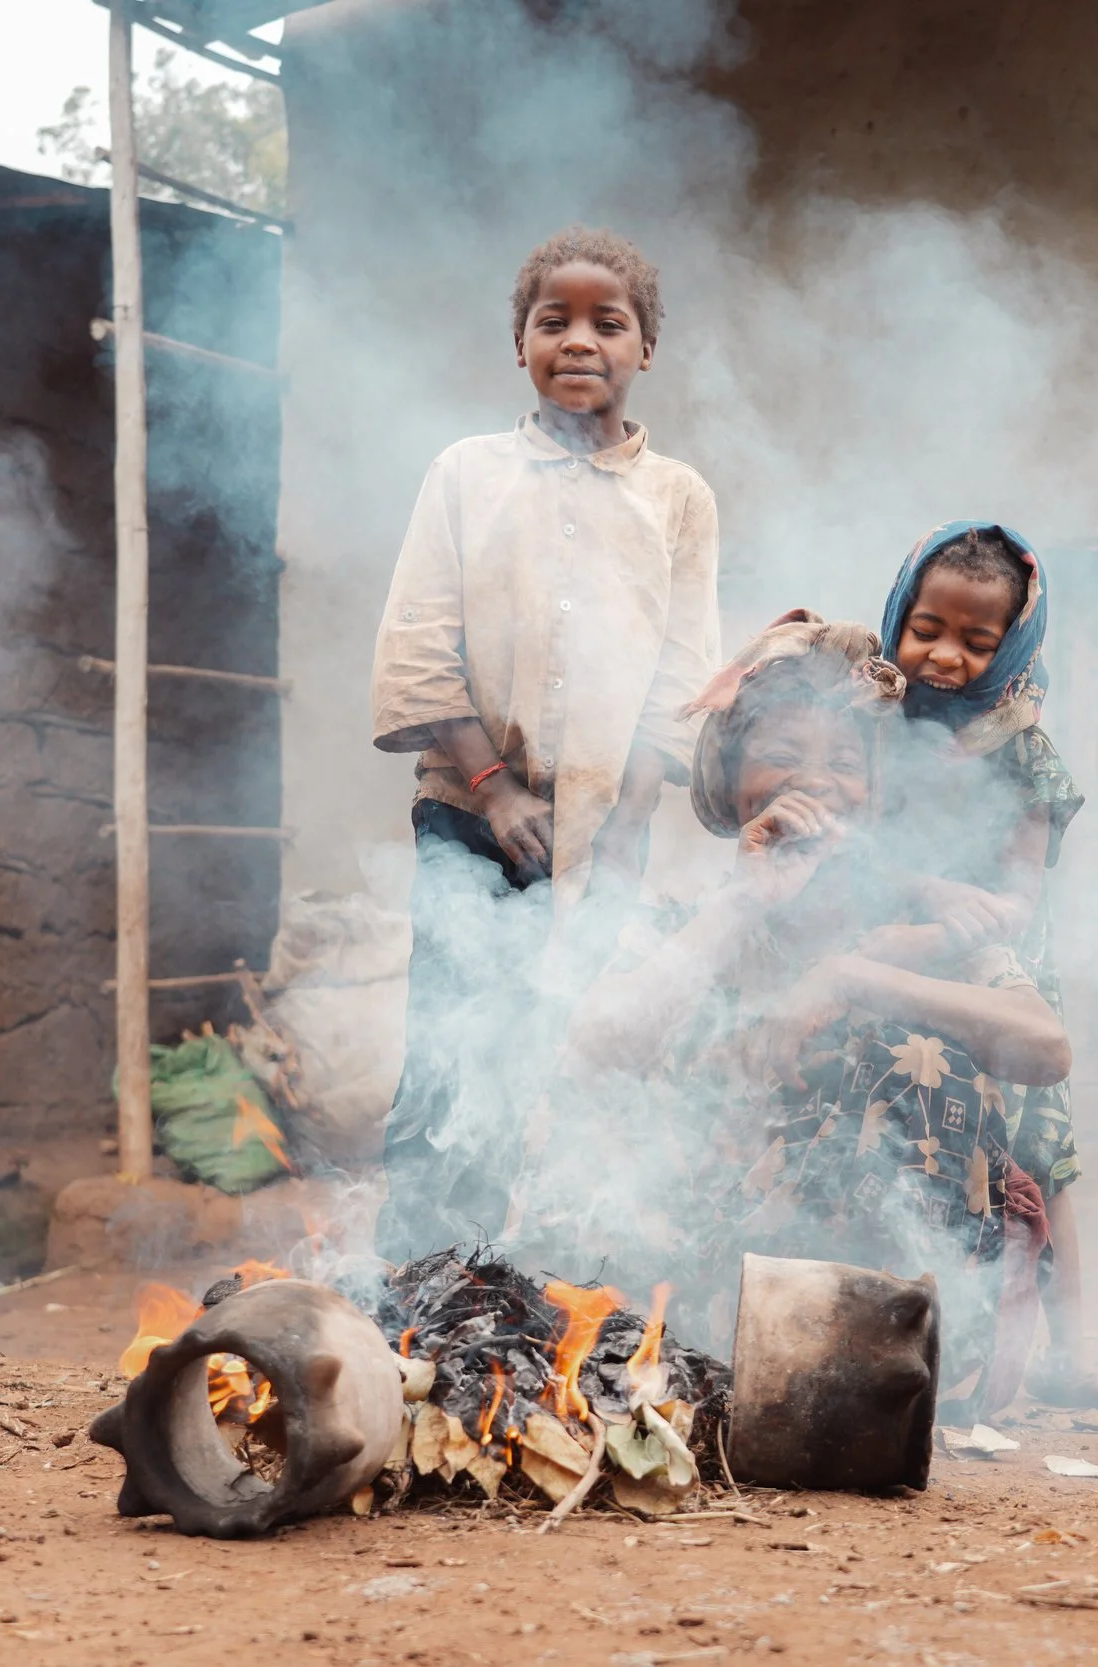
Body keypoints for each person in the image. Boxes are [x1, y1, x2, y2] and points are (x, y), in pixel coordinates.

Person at [550, 617, 1069, 1410]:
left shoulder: (918, 929)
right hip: (707, 1295)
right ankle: (709, 1361)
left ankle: (872, 1370)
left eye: (844, 764)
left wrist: (853, 977)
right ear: (731, 783)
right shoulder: (694, 920)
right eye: (784, 756)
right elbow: (594, 1048)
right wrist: (745, 902)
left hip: (892, 1323)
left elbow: (1046, 1046)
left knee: (912, 1053)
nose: (817, 782)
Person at [367, 226, 721, 1259]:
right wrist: (494, 788)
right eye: (550, 320)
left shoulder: (678, 498)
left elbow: (679, 678)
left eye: (607, 323)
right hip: (469, 811)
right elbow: (421, 645)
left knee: (568, 1047)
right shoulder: (465, 475)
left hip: (611, 822)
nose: (578, 341)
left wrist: (622, 824)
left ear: (644, 349)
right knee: (451, 1049)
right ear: (516, 342)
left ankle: (539, 1282)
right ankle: (425, 1280)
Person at [876, 520, 1098, 1412]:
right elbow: (845, 846)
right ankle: (915, 1354)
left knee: (1044, 1164)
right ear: (898, 615)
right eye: (927, 629)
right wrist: (920, 888)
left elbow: (1018, 898)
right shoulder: (865, 724)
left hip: (1001, 980)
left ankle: (1068, 1358)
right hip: (890, 963)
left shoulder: (1024, 749)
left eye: (976, 640)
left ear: (1012, 645)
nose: (944, 656)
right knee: (911, 1148)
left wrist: (965, 913)